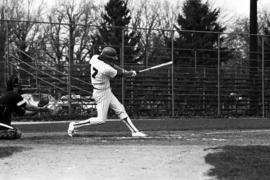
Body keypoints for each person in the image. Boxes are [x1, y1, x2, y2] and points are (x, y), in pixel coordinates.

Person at [68, 47, 147, 137]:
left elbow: (113, 65)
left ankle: (135, 132)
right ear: (106, 58)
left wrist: (127, 72)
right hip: (101, 93)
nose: (112, 61)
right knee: (101, 120)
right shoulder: (106, 69)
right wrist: (131, 73)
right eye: (110, 58)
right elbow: (120, 74)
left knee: (121, 109)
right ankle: (74, 125)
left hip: (106, 90)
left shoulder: (95, 57)